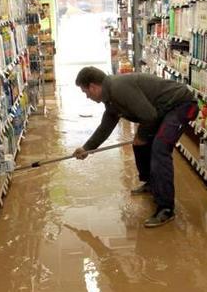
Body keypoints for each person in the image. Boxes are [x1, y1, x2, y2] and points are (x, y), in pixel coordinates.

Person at [73, 66, 198, 228]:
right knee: (140, 143)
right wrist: (87, 148)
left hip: (181, 105)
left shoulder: (118, 88)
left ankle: (166, 208)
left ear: (93, 86)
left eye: (86, 92)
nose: (87, 97)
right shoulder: (110, 96)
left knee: (159, 150)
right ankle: (152, 184)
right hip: (162, 110)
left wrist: (141, 137)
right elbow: (107, 124)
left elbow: (149, 116)